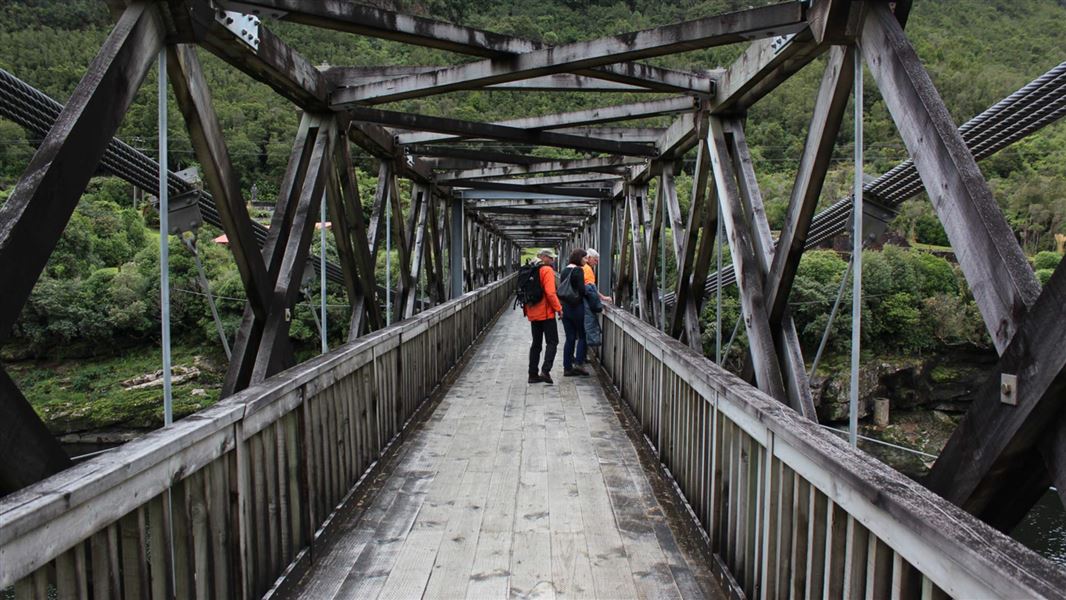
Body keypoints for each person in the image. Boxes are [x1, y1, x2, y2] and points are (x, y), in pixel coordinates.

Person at [523, 248, 562, 384]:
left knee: (536, 344)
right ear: (544, 257)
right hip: (546, 313)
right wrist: (559, 309)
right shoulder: (546, 270)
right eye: (551, 258)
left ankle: (532, 374)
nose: (553, 260)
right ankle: (545, 371)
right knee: (552, 341)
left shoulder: (531, 268)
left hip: (533, 311)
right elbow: (550, 293)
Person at [558, 249, 589, 376]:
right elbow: (582, 290)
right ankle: (579, 364)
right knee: (582, 336)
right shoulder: (578, 270)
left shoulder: (565, 270)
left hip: (565, 308)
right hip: (577, 307)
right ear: (579, 258)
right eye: (585, 258)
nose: (586, 261)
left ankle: (567, 367)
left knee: (570, 337)